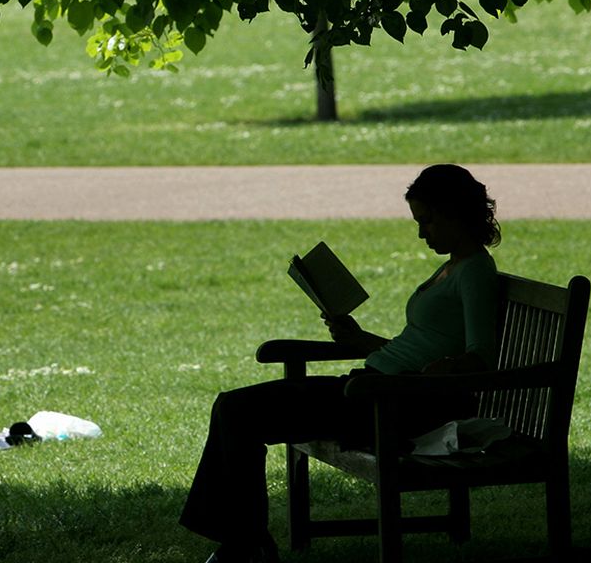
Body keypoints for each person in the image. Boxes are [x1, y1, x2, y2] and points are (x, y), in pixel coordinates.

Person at [179, 164, 502, 563]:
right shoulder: (453, 266)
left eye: (428, 221)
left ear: (455, 212)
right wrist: (360, 340)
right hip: (376, 389)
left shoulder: (475, 272)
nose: (422, 233)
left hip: (394, 404)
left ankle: (245, 546)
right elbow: (422, 345)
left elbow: (481, 356)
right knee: (232, 407)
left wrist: (440, 372)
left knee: (237, 410)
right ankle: (245, 543)